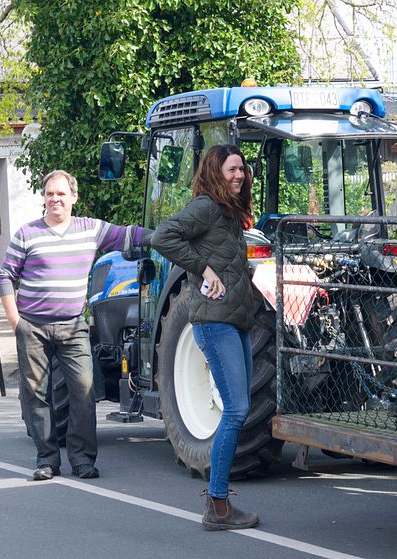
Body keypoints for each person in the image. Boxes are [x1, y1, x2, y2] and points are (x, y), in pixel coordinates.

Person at [0, 170, 151, 481]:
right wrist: (17, 323)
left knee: (84, 390)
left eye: (61, 194)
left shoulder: (90, 230)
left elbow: (129, 235)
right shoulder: (27, 234)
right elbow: (4, 277)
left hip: (72, 326)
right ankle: (47, 460)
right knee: (35, 395)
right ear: (44, 198)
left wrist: (164, 234)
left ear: (73, 198)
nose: (55, 199)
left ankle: (82, 460)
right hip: (34, 327)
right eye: (50, 194)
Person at [151, 144, 260, 531]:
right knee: (235, 410)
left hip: (235, 318)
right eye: (232, 169)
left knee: (239, 408)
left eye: (242, 170)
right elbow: (162, 237)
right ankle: (217, 505)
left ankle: (219, 502)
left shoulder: (229, 214)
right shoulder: (206, 208)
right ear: (215, 171)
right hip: (214, 321)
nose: (239, 175)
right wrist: (204, 267)